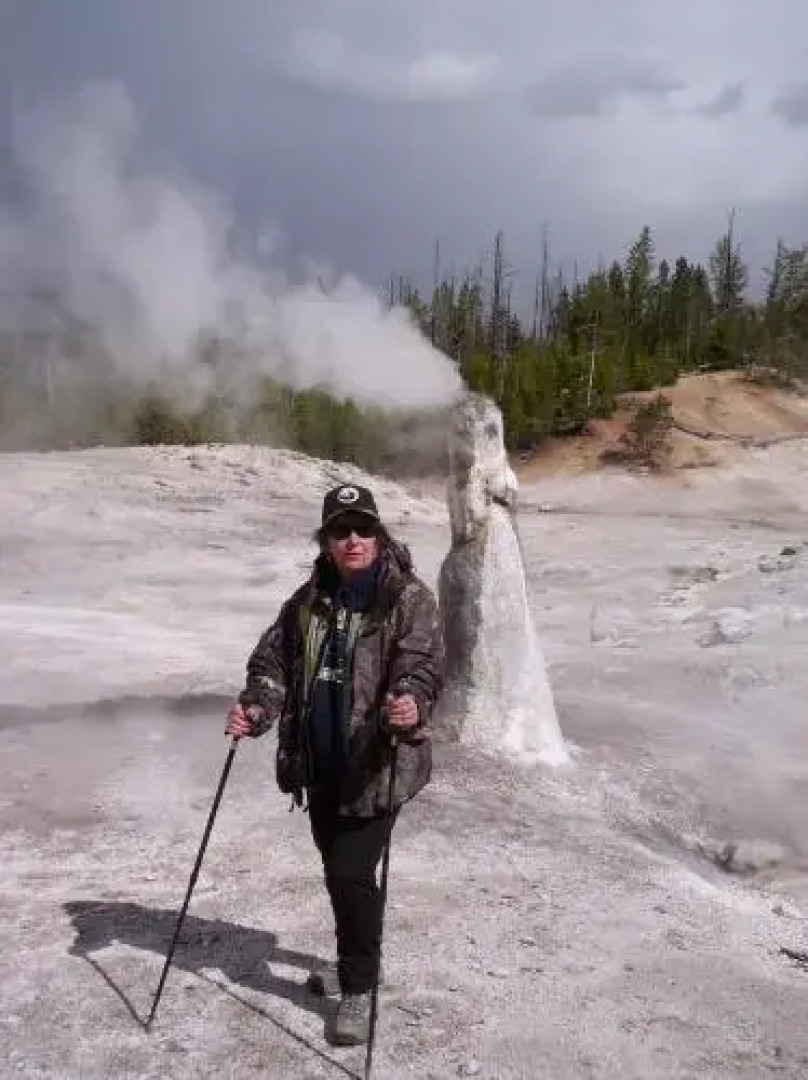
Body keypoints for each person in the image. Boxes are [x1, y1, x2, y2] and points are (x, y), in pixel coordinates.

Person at [225, 482, 444, 1047]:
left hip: (378, 763)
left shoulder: (407, 599)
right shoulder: (307, 602)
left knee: (349, 872)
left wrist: (410, 702)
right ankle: (352, 958)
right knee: (341, 874)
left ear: (379, 535)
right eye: (340, 530)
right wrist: (256, 707)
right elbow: (271, 664)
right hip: (318, 763)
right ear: (324, 540)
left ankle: (359, 987)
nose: (353, 540)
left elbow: (421, 666)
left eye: (363, 529)